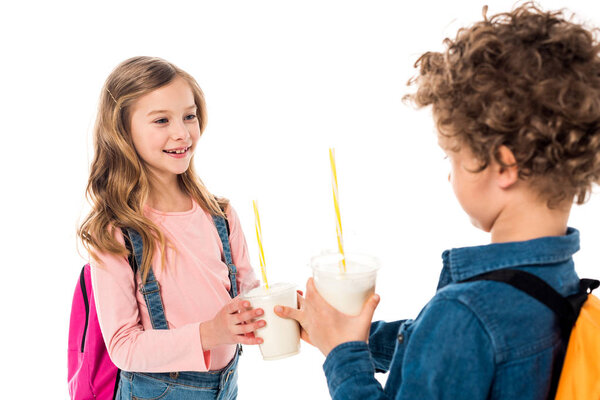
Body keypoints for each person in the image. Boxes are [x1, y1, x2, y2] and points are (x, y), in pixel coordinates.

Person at [275, 3, 600, 399]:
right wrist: (355, 336)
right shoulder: (557, 285)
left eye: (454, 156)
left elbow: (456, 337)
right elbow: (449, 352)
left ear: (503, 165)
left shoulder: (465, 314)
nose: (450, 174)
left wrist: (343, 356)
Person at [78, 56, 263, 400]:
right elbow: (123, 346)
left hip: (227, 384)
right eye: (161, 120)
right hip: (155, 392)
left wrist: (269, 309)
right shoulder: (115, 232)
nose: (182, 132)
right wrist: (210, 333)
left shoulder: (220, 214)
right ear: (122, 132)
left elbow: (246, 289)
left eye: (189, 116)